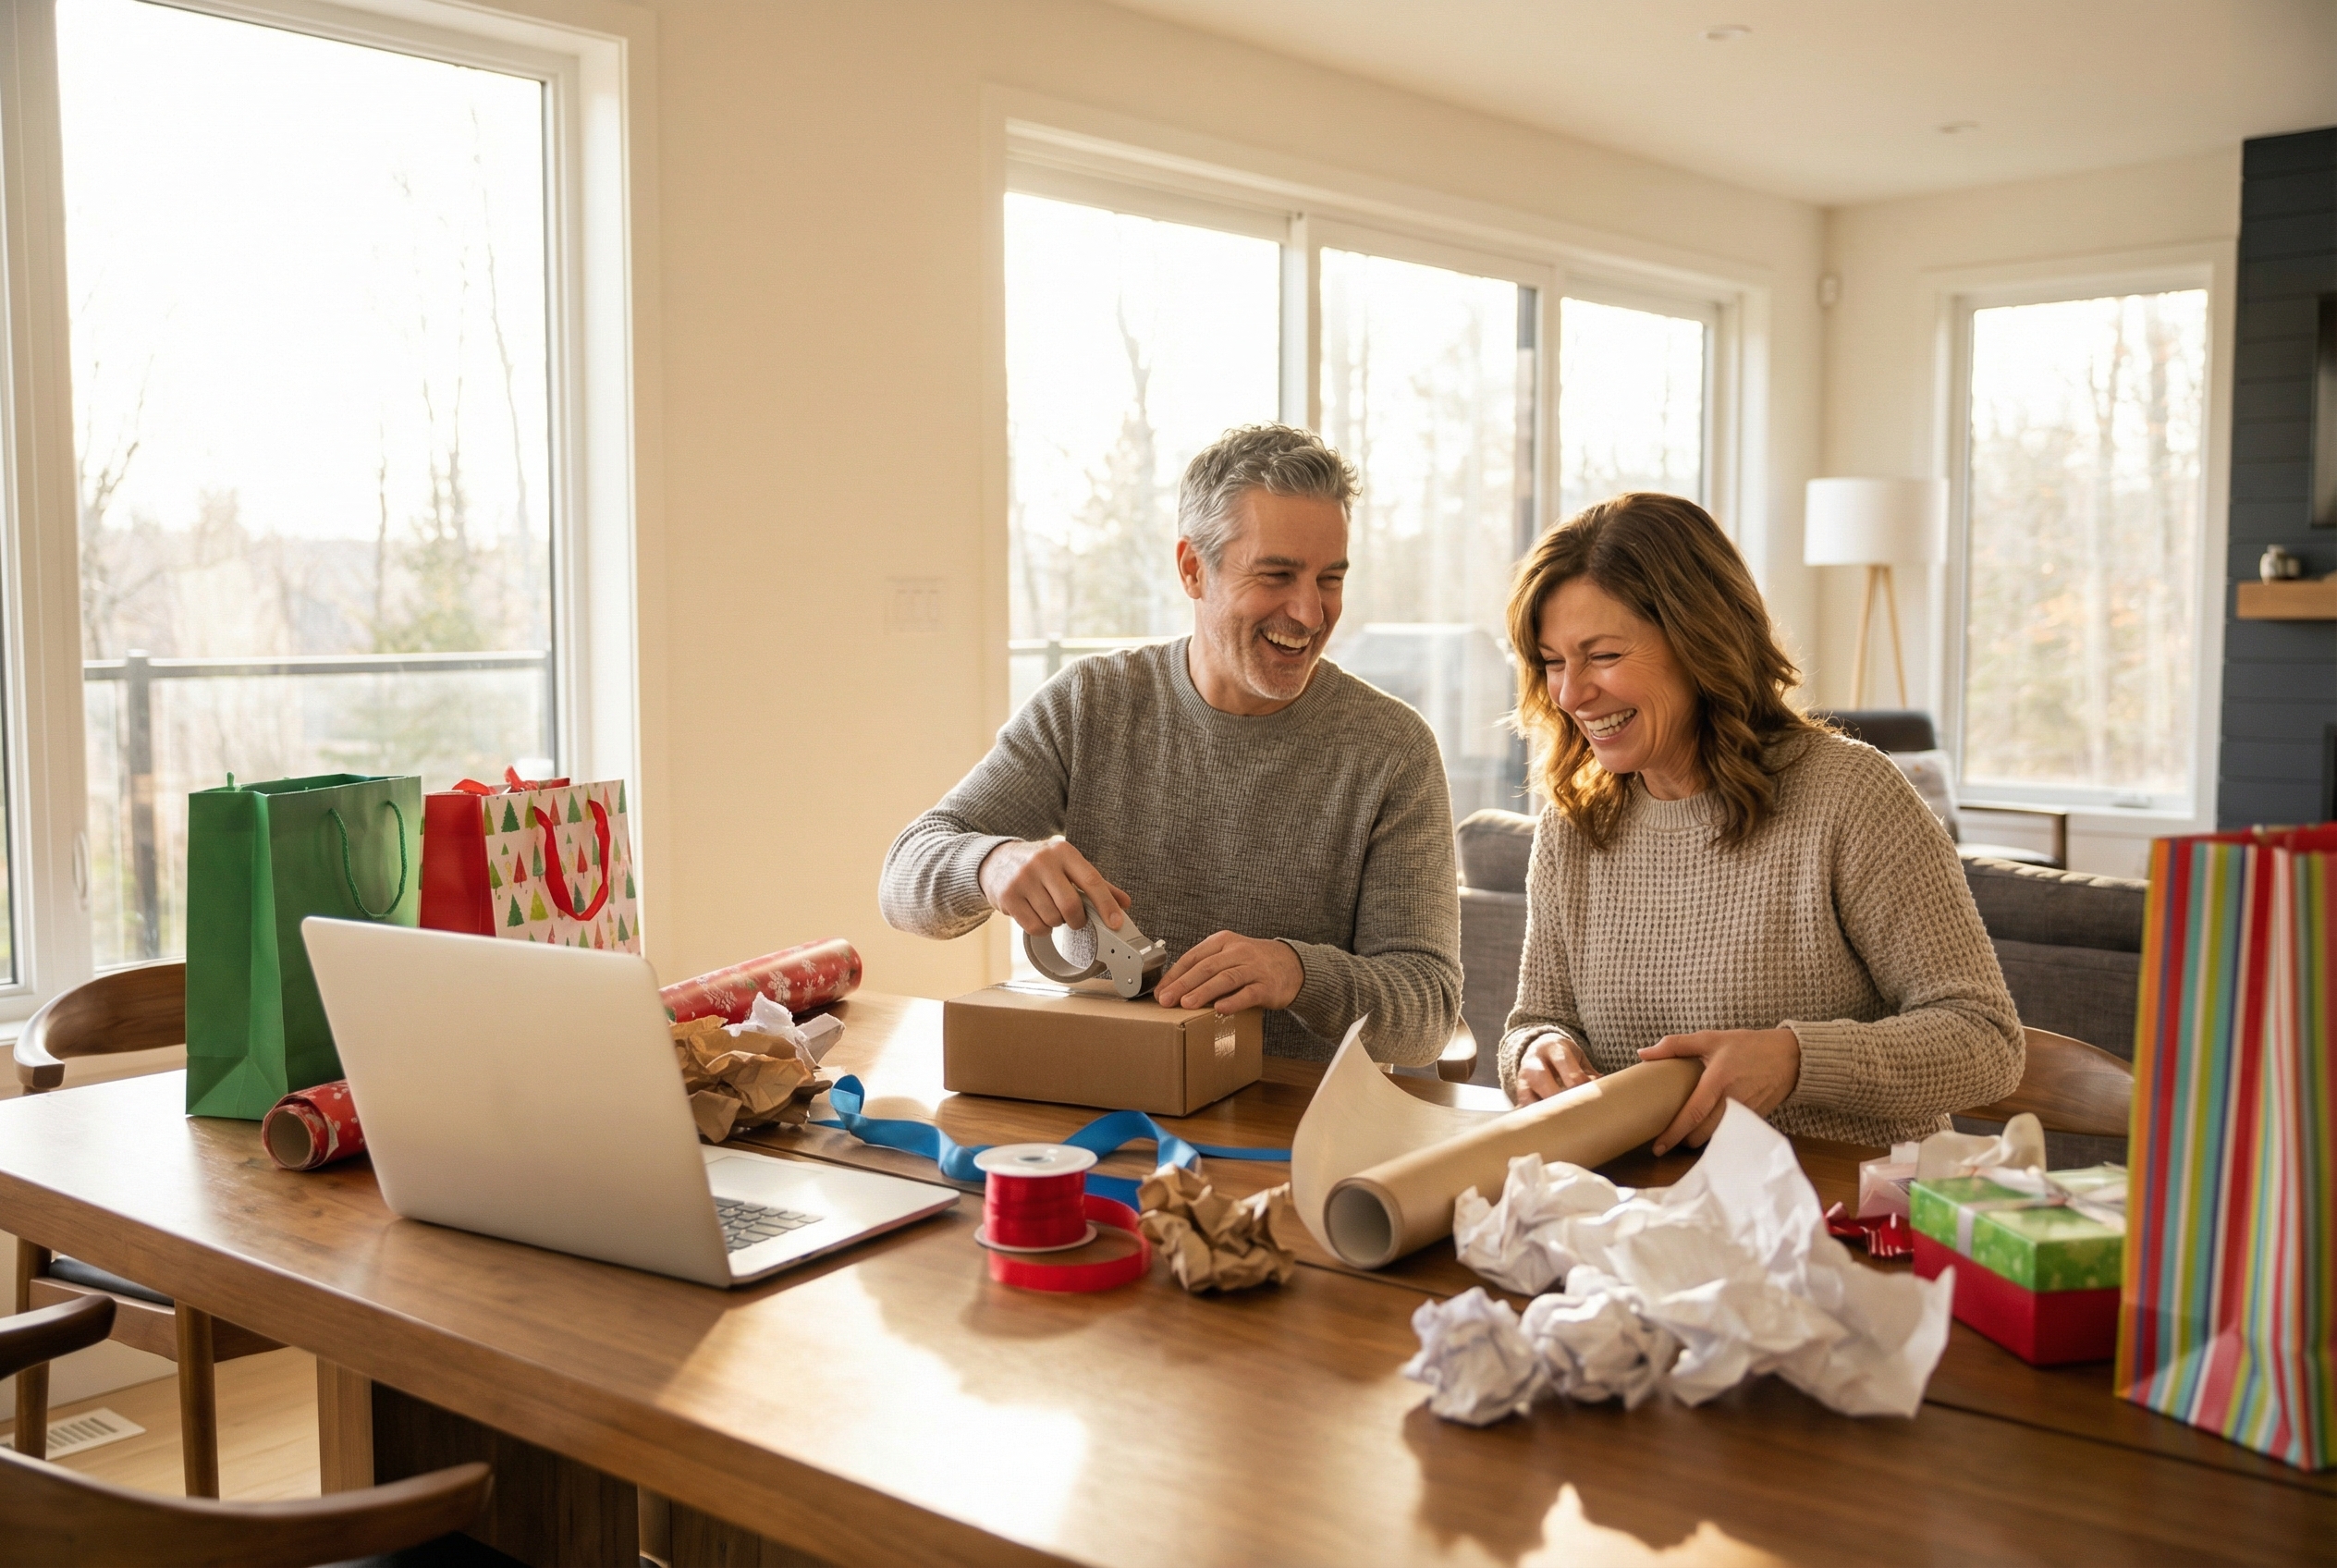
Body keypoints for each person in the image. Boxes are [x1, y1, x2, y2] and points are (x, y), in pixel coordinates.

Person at [880, 424, 1462, 1064]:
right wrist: (989, 864)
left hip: (1295, 1112)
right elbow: (903, 880)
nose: (1309, 613)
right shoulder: (1090, 704)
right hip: (1100, 1091)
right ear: (1192, 569)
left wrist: (1297, 972)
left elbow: (1429, 1013)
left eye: (1330, 579)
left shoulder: (1393, 750)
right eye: (1276, 575)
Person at [1498, 492, 2022, 1151]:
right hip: (1651, 1199)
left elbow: (1986, 1040)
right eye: (1552, 662)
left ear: (1699, 640)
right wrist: (1536, 1051)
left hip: (1842, 1194)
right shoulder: (1575, 825)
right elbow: (1537, 1019)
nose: (1571, 694)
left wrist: (1796, 1060)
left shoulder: (1850, 795)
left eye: (1602, 656)